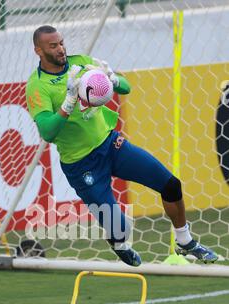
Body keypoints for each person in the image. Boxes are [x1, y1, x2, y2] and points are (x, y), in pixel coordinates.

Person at [26, 25, 218, 266]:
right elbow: (47, 131)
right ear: (38, 50)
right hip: (81, 164)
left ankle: (186, 242)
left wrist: (112, 78)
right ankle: (118, 243)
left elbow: (126, 88)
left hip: (110, 144)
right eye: (53, 46)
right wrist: (68, 102)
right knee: (121, 228)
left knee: (170, 185)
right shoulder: (37, 86)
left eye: (61, 42)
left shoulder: (82, 63)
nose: (61, 49)